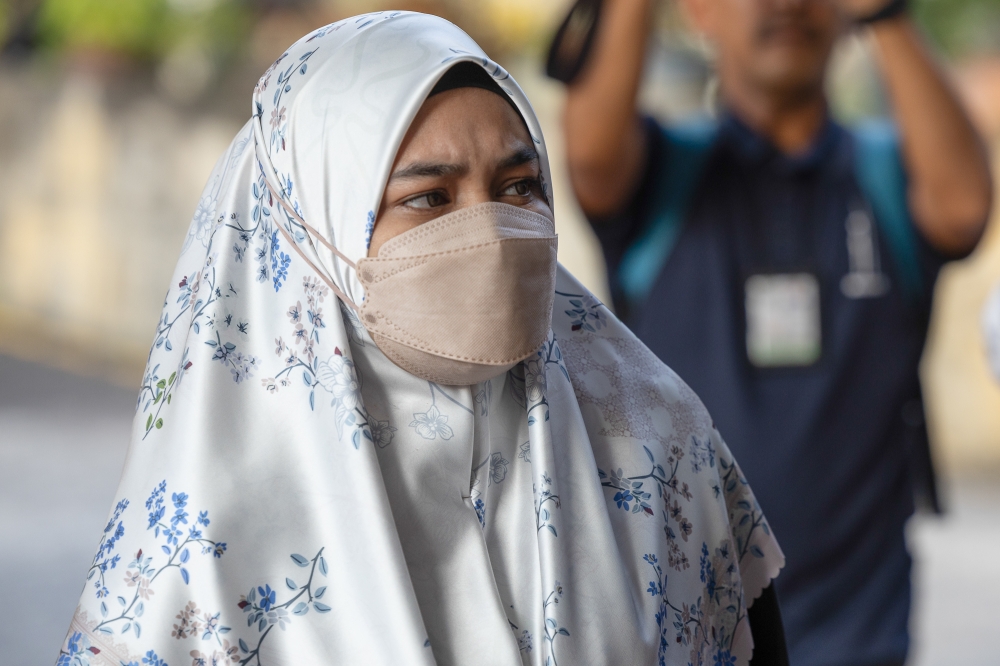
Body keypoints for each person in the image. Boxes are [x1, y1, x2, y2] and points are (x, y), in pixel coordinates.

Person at [58, 12, 787, 666]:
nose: (491, 233)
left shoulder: (661, 449)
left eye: (518, 186)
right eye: (430, 199)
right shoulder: (203, 547)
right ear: (316, 233)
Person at [550, 0, 992, 664]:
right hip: (690, 642)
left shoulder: (888, 177)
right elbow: (589, 155)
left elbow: (963, 207)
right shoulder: (664, 176)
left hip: (860, 639)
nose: (786, 4)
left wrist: (886, 14)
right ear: (699, 12)